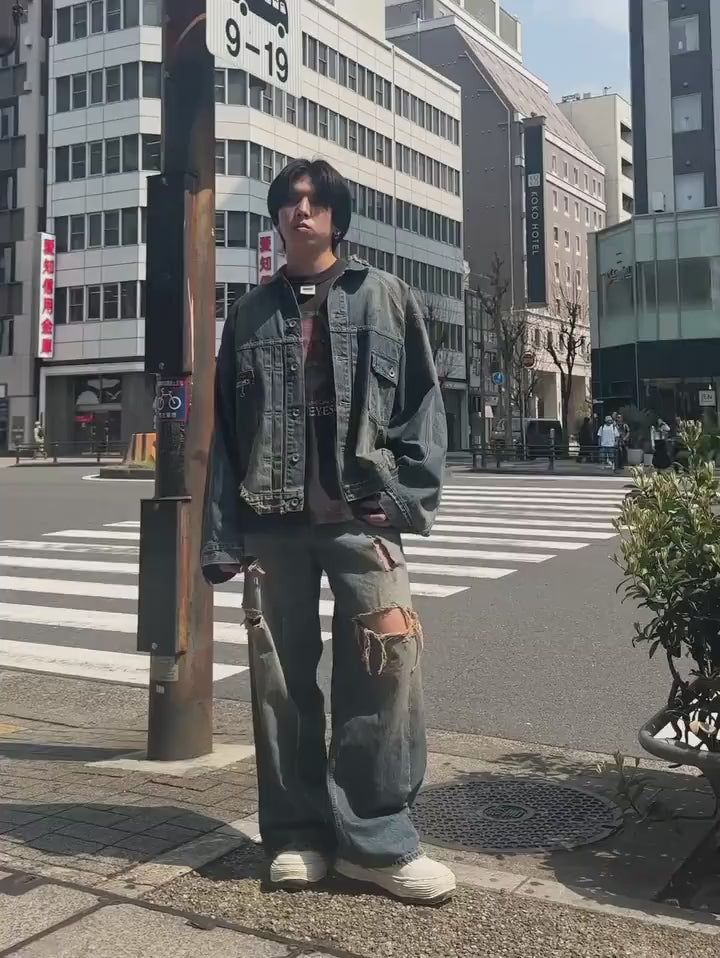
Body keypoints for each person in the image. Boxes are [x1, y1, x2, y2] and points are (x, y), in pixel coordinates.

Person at [201, 159, 455, 904]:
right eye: (289, 201)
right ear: (278, 218)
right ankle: (296, 835)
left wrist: (402, 500)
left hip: (359, 518)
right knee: (280, 685)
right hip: (271, 523)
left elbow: (422, 409)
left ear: (338, 218)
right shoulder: (249, 314)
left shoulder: (385, 296)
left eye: (314, 201)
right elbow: (226, 434)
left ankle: (377, 841)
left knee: (387, 670)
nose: (300, 211)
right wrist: (223, 536)